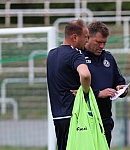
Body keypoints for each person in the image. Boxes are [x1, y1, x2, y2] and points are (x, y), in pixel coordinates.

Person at [82, 21, 128, 148]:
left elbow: (119, 81)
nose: (102, 46)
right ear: (88, 38)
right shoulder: (78, 57)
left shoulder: (108, 58)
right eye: (98, 42)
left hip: (105, 119)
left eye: (104, 43)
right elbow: (74, 88)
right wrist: (97, 93)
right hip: (85, 120)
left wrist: (121, 89)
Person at [46, 19, 91, 150]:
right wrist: (85, 91)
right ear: (75, 37)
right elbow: (85, 74)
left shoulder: (52, 54)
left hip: (58, 116)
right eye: (86, 37)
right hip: (74, 116)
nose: (87, 41)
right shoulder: (75, 54)